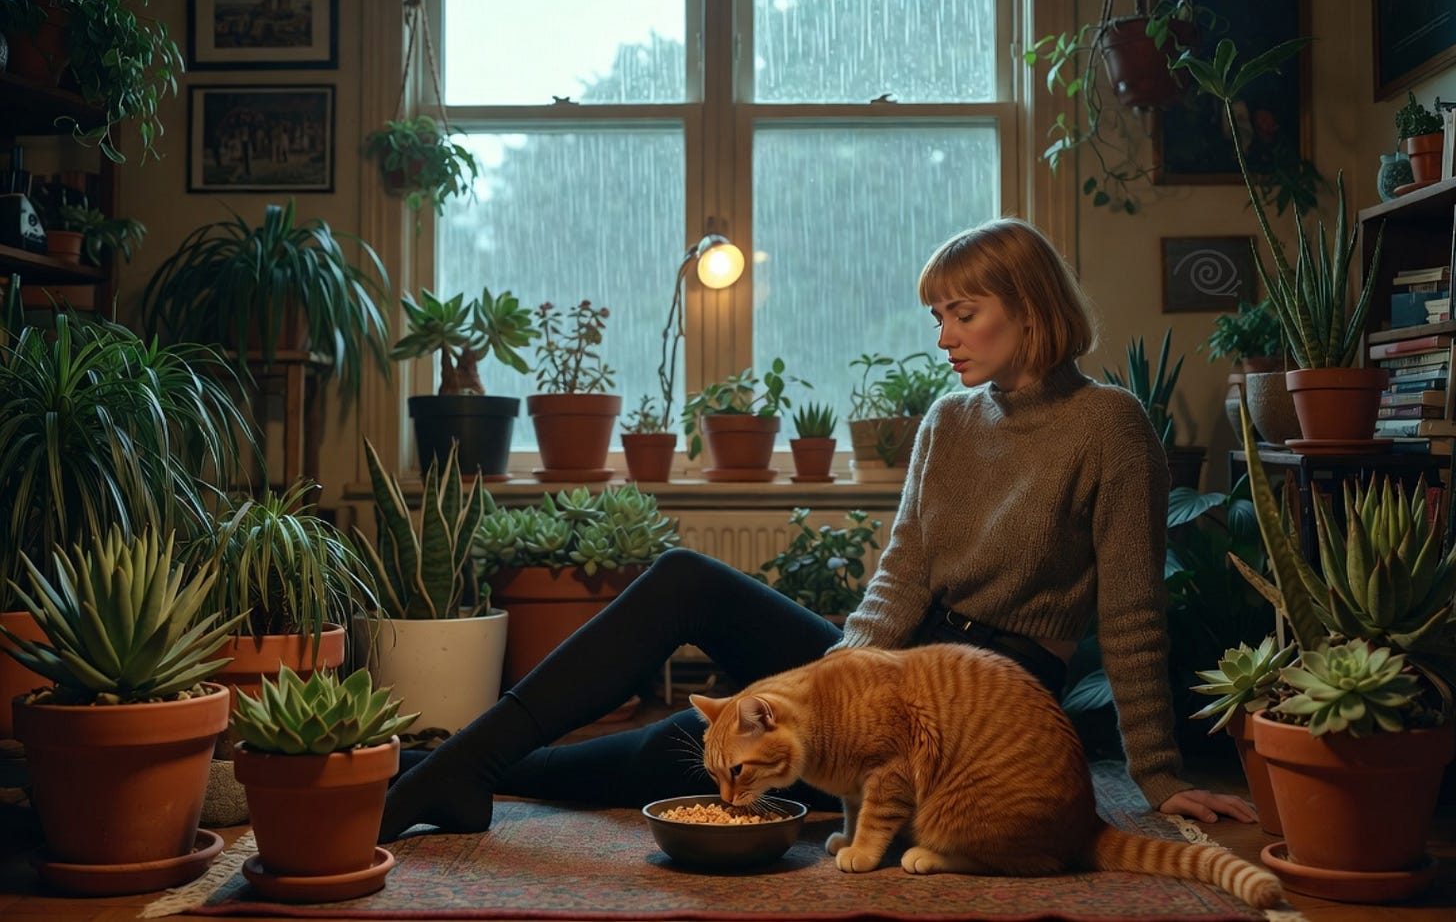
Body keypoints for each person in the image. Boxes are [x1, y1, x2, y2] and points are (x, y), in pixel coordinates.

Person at [378, 217, 1258, 843]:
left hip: (978, 697)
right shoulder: (949, 421)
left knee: (672, 755)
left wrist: (1161, 776)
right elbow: (902, 575)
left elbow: (1136, 615)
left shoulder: (1110, 424)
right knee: (689, 586)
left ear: (1030, 308)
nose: (946, 336)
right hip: (888, 663)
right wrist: (830, 681)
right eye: (937, 316)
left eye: (965, 312)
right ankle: (460, 766)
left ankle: (458, 772)